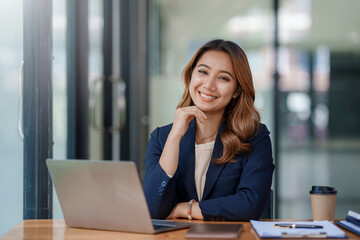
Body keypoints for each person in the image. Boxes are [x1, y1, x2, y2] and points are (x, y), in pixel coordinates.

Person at [143, 39, 274, 221]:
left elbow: (250, 204)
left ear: (236, 90)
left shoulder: (254, 137)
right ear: (190, 77)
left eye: (223, 78)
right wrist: (175, 137)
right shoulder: (162, 138)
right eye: (203, 72)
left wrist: (185, 209)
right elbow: (152, 211)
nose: (209, 85)